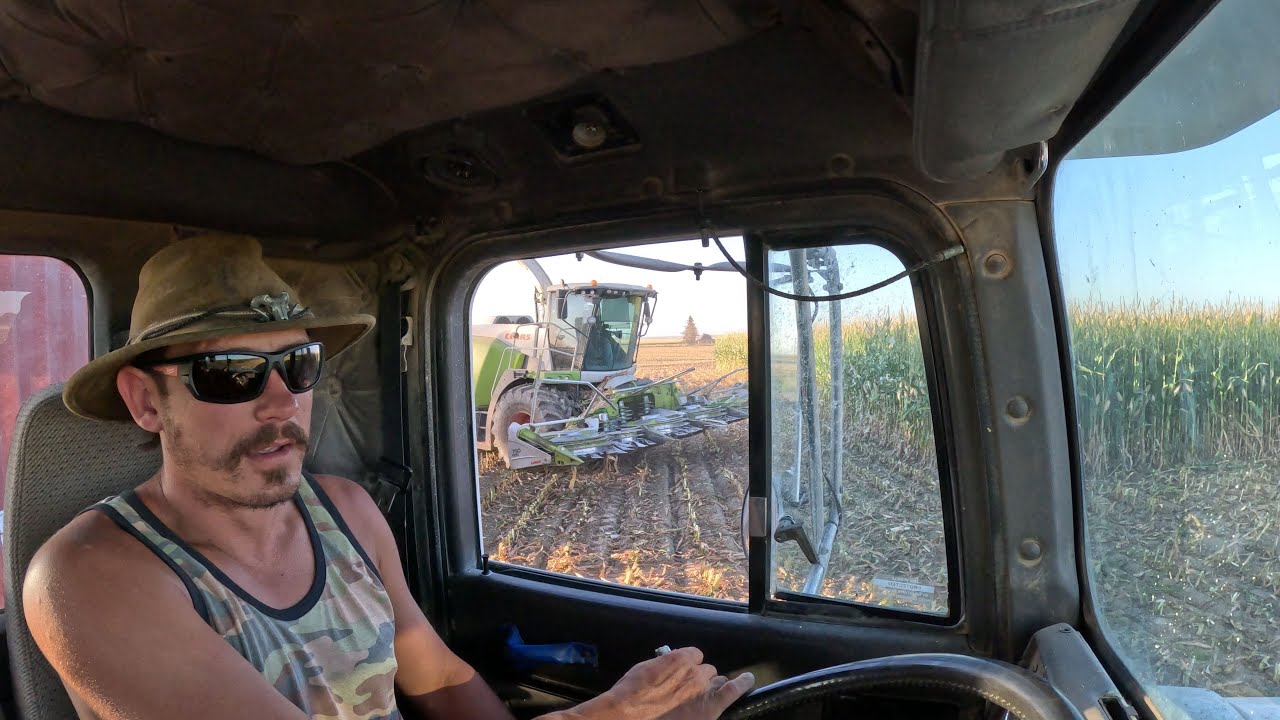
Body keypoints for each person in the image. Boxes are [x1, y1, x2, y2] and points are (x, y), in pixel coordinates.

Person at [25, 234, 755, 719]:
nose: (282, 404)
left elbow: (434, 676)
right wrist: (604, 715)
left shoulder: (345, 512)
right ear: (146, 400)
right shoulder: (91, 578)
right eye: (231, 373)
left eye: (299, 365)